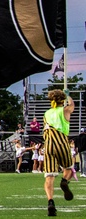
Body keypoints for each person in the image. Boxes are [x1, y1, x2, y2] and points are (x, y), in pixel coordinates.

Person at [42, 88, 76, 216]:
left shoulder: (46, 113)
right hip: (61, 141)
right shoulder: (65, 110)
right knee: (69, 168)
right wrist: (68, 96)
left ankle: (50, 201)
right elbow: (72, 106)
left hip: (49, 144)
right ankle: (64, 181)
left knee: (49, 176)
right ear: (62, 100)